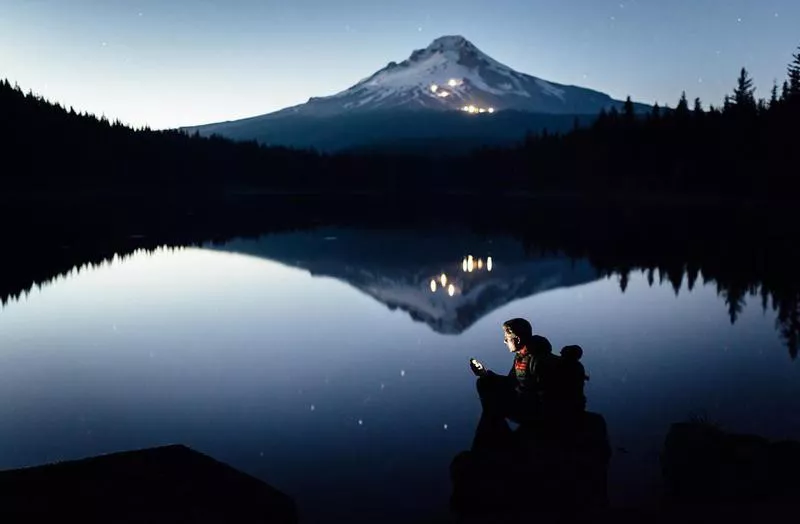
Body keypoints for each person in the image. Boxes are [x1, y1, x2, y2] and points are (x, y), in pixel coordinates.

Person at [469, 318, 556, 424]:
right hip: (524, 402)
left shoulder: (538, 360)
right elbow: (511, 381)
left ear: (518, 340)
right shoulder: (520, 357)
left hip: (533, 411)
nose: (505, 341)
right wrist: (485, 374)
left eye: (507, 338)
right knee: (484, 382)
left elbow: (548, 394)